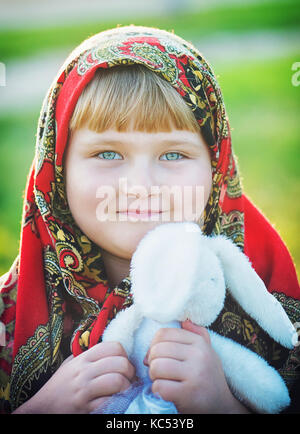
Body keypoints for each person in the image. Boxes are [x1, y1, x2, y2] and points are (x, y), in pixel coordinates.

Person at [0, 25, 299, 414]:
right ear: (56, 172)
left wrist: (221, 404)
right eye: (107, 153)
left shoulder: (273, 309)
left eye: (173, 154)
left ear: (216, 170)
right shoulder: (8, 317)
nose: (140, 186)